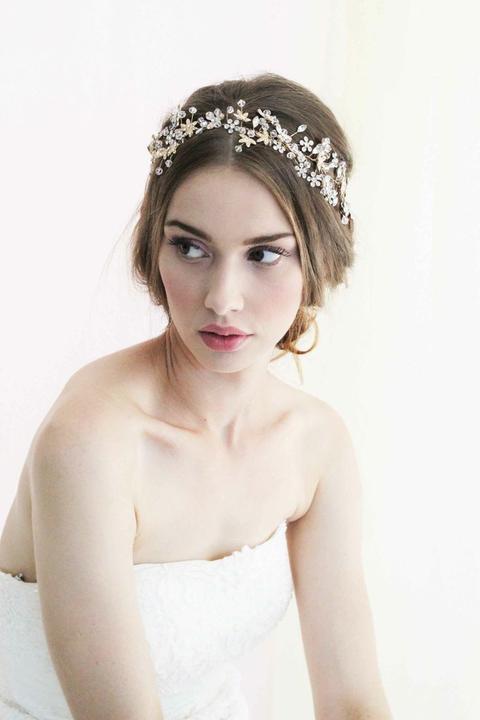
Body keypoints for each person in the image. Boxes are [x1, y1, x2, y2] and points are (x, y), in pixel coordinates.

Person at [0, 72, 392, 720]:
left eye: (263, 255)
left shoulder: (315, 445)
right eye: (190, 247)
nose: (222, 298)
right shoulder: (91, 441)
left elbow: (352, 699)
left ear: (317, 257)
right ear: (154, 246)